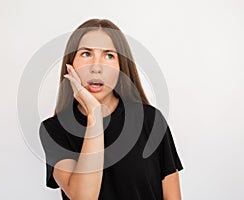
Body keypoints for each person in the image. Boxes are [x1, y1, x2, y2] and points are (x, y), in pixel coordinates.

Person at [39, 18, 183, 200]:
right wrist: (94, 117)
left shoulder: (150, 119)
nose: (96, 67)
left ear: (121, 67)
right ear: (70, 65)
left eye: (109, 56)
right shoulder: (55, 130)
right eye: (86, 54)